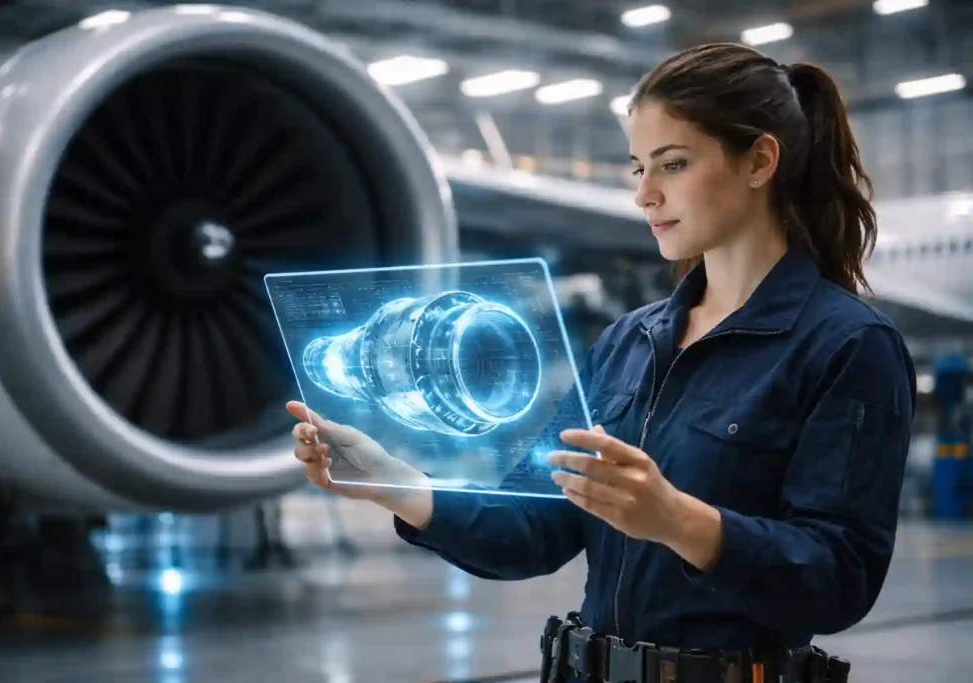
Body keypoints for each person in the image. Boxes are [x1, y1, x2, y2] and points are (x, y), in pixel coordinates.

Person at [287, 41, 915, 683]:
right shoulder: (627, 344)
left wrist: (679, 521)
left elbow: (839, 580)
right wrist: (393, 480)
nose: (645, 194)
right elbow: (536, 528)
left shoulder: (847, 345)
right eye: (637, 168)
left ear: (759, 160)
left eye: (672, 165)